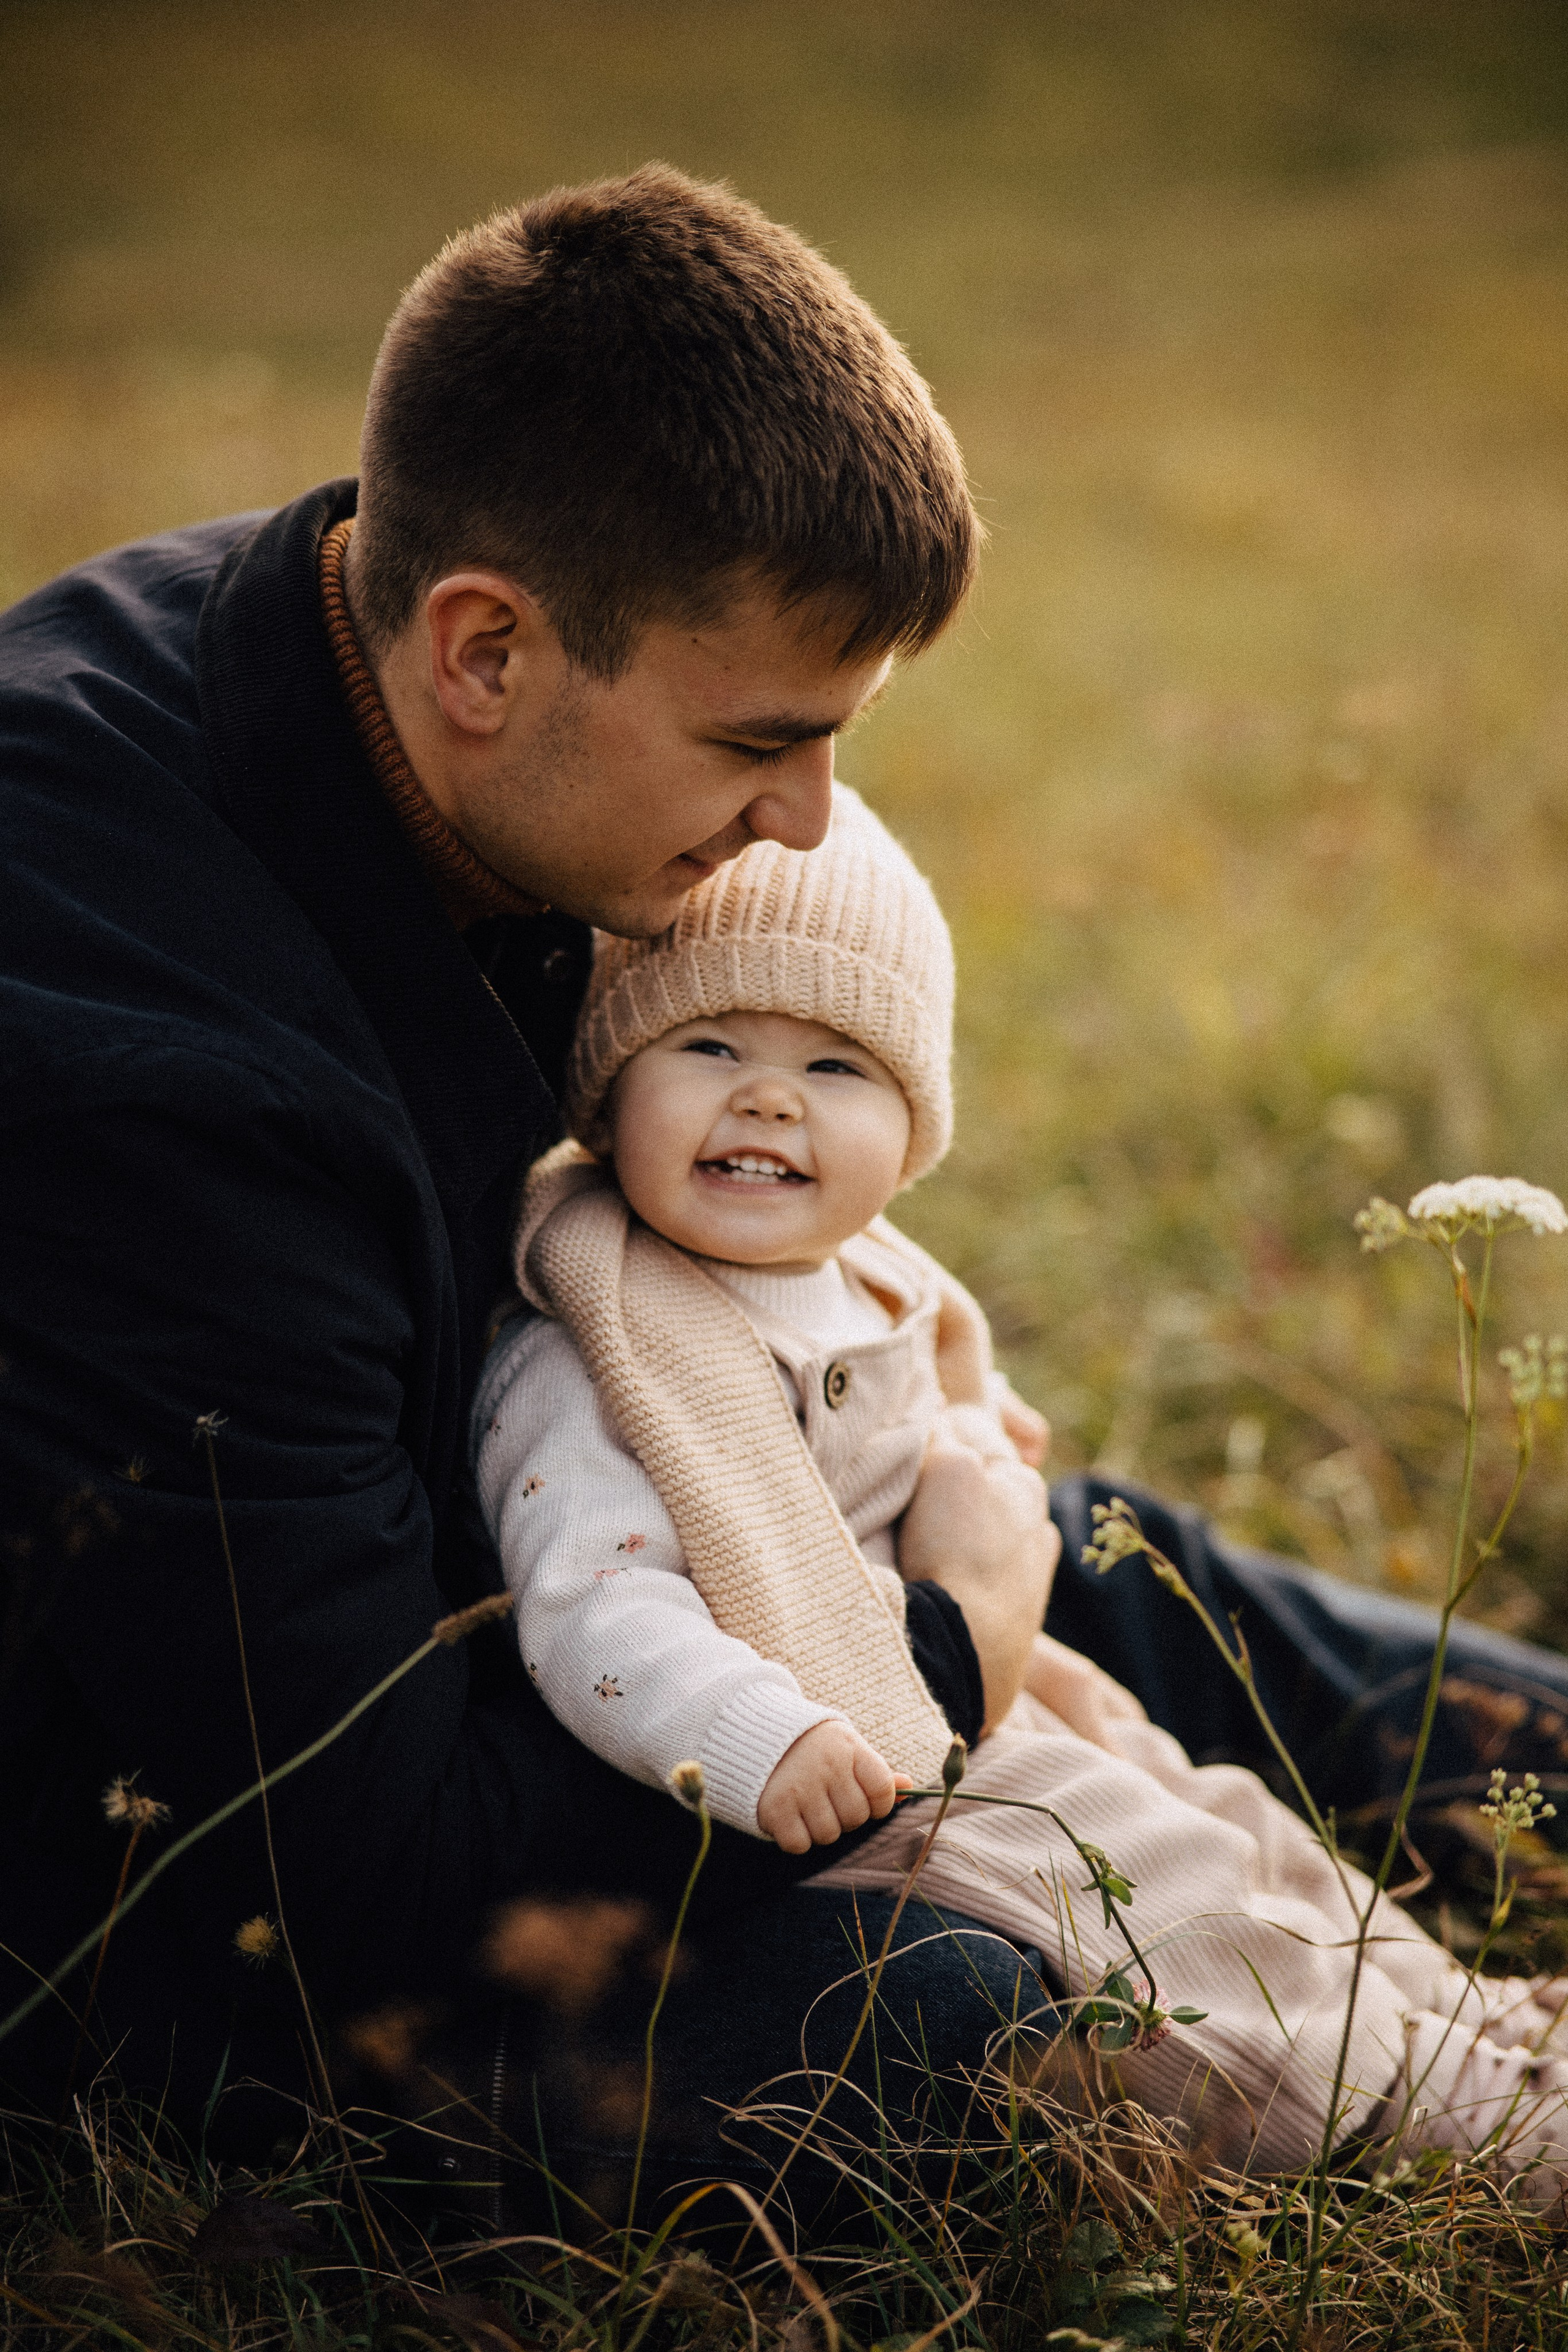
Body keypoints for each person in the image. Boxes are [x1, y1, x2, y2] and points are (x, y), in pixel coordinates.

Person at [2, 159, 1566, 2223]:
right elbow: (374, 1864)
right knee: (936, 2006)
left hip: (570, 1572)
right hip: (222, 1902)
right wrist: (944, 1655)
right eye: (762, 740)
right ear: (484, 651)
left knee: (1067, 1541)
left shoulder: (402, 646)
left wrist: (932, 1540)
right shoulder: (142, 1069)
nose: (809, 824)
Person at [484, 786, 1568, 2201]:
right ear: (605, 1087)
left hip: (977, 1702)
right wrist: (752, 1738)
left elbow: (926, 1373)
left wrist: (974, 1430)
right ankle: (1436, 2121)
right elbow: (591, 1601)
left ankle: (1473, 2016)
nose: (768, 1096)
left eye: (834, 1065)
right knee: (1157, 1924)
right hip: (840, 1780)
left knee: (1218, 1817)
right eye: (707, 1045)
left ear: (909, 1131)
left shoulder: (860, 1267)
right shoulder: (594, 1346)